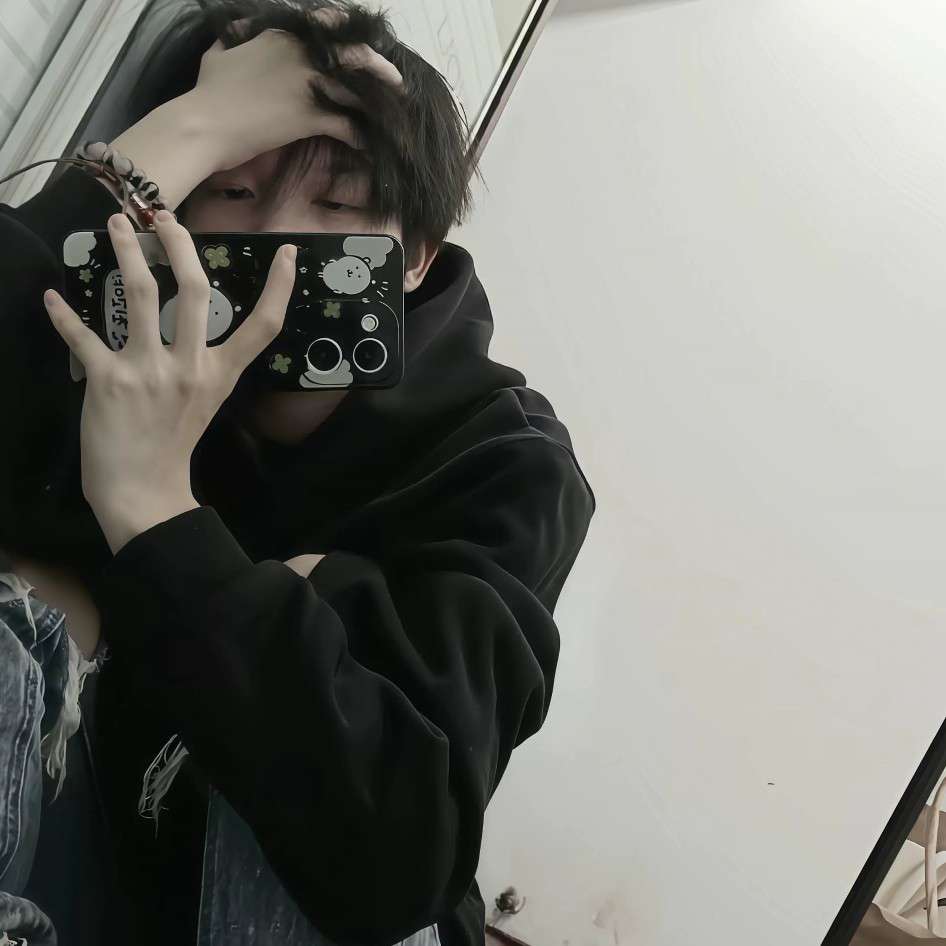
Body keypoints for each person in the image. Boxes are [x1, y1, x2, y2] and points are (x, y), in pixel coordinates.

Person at [0, 1, 595, 945]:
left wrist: (157, 518)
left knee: (324, 659)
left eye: (339, 207)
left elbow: (399, 852)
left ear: (416, 256)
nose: (277, 241)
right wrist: (194, 126)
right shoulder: (118, 351)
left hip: (314, 900)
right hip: (103, 858)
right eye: (231, 190)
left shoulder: (503, 459)